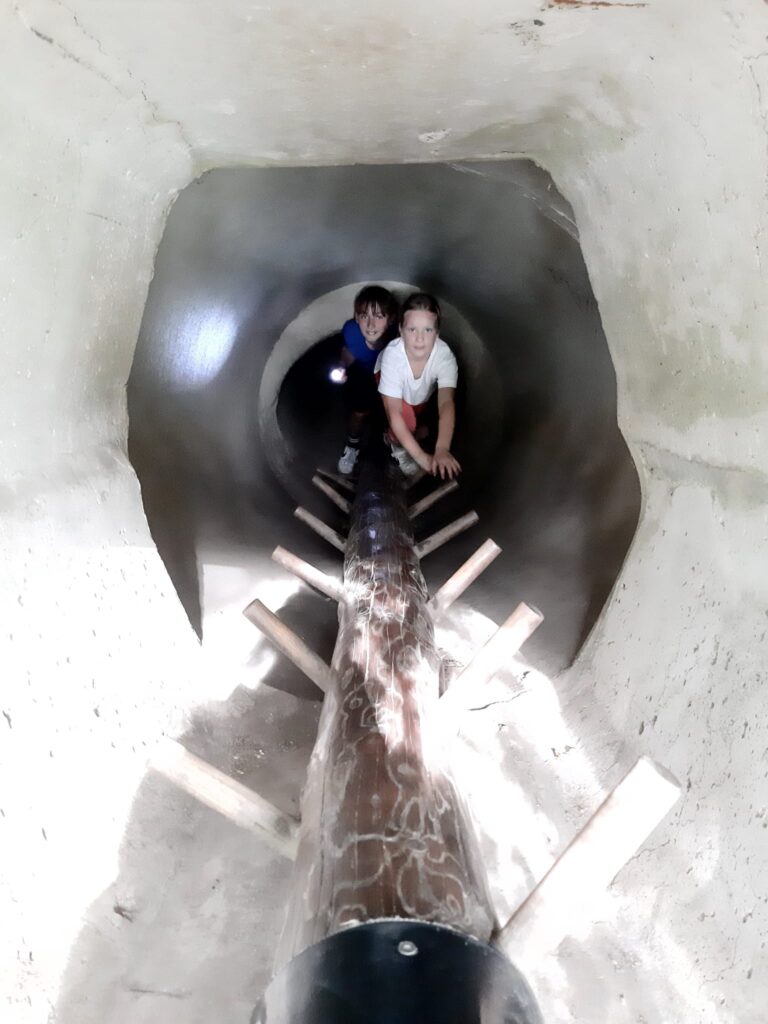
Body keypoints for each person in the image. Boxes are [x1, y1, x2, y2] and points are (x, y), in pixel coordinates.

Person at [377, 292, 461, 480]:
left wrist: (442, 449)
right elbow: (394, 410)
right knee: (406, 419)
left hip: (420, 392)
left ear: (437, 334)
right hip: (391, 382)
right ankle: (397, 448)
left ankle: (409, 435)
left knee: (420, 421)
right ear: (401, 330)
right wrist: (422, 458)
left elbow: (446, 403)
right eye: (412, 329)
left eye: (428, 330)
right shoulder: (393, 355)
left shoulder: (444, 356)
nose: (419, 338)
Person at [335, 285, 399, 475]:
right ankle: (352, 446)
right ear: (356, 317)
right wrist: (342, 367)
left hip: (389, 374)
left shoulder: (399, 335)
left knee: (394, 411)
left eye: (378, 316)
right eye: (364, 316)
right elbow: (348, 350)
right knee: (360, 411)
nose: (371, 325)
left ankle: (395, 443)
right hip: (364, 372)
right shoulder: (351, 330)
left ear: (390, 319)